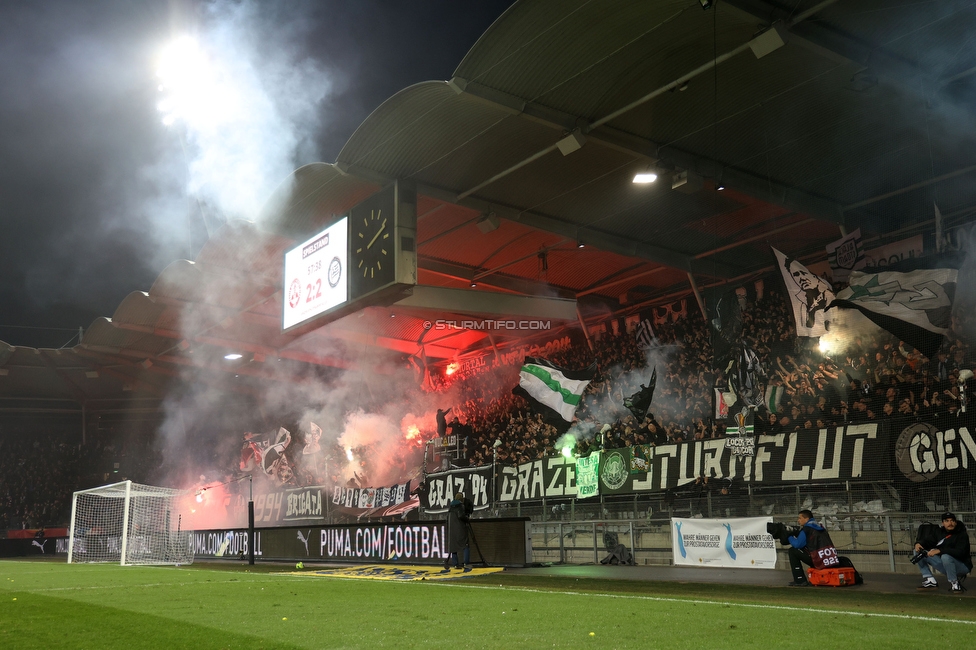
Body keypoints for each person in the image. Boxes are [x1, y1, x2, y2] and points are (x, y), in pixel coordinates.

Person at [915, 512, 971, 593]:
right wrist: (918, 543)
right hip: (946, 565)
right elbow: (927, 541)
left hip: (962, 566)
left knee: (946, 556)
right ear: (943, 523)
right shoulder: (939, 532)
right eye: (947, 521)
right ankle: (930, 580)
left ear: (955, 522)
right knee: (918, 551)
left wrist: (939, 551)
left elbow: (960, 552)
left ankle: (955, 583)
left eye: (952, 521)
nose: (950, 523)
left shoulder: (962, 534)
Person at [786, 509, 840, 587]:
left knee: (792, 551)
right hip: (828, 559)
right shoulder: (820, 526)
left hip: (817, 560)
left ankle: (800, 580)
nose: (798, 520)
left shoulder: (807, 529)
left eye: (800, 518)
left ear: (806, 519)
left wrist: (789, 536)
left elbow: (797, 545)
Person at [443, 491, 471, 572]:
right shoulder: (460, 506)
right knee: (466, 545)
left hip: (452, 530)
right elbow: (461, 515)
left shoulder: (450, 507)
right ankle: (466, 563)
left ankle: (455, 564)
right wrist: (467, 519)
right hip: (460, 529)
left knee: (453, 547)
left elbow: (447, 519)